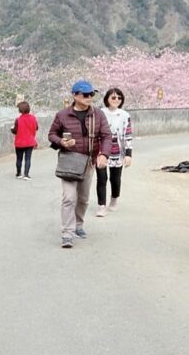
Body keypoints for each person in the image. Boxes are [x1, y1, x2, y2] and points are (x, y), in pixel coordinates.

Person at [47, 80, 112, 248]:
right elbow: (52, 134)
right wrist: (61, 141)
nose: (89, 97)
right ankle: (67, 233)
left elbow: (106, 136)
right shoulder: (62, 115)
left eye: (92, 94)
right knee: (69, 197)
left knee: (83, 198)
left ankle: (78, 225)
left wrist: (104, 154)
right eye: (85, 94)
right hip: (69, 160)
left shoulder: (98, 114)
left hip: (89, 161)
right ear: (75, 95)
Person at [96, 87, 133, 217]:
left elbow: (128, 135)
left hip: (117, 150)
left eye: (119, 97)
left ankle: (114, 198)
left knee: (115, 178)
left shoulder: (124, 115)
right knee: (101, 178)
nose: (116, 100)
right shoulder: (99, 113)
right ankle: (101, 205)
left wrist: (128, 154)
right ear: (107, 98)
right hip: (101, 149)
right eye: (113, 97)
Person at [11, 101, 38, 179]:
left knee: (19, 158)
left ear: (20, 110)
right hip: (29, 142)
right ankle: (26, 174)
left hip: (19, 142)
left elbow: (15, 131)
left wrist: (11, 129)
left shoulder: (18, 120)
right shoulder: (33, 118)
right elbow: (36, 128)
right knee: (28, 158)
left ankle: (19, 173)